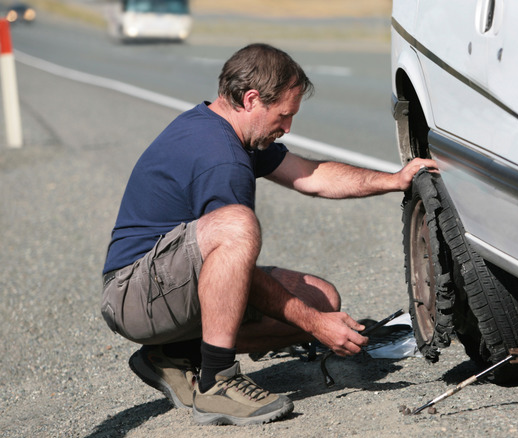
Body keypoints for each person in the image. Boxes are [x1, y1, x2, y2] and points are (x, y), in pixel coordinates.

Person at [100, 43, 436, 426]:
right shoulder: (219, 156)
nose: (288, 127)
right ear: (251, 99)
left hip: (167, 284)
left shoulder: (229, 129)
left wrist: (393, 180)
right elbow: (234, 256)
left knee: (322, 299)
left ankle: (173, 353)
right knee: (238, 226)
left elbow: (312, 176)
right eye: (283, 115)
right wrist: (314, 324)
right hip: (133, 295)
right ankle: (217, 382)